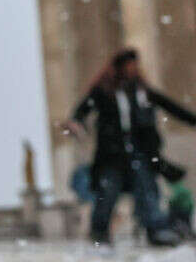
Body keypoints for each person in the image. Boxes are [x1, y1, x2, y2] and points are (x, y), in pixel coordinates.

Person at [63, 48, 195, 245]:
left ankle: (155, 229)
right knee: (107, 193)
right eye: (129, 65)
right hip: (112, 155)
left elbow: (171, 107)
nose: (133, 69)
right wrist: (75, 121)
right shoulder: (103, 91)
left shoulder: (141, 92)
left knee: (147, 189)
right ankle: (99, 232)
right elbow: (83, 108)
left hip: (141, 151)